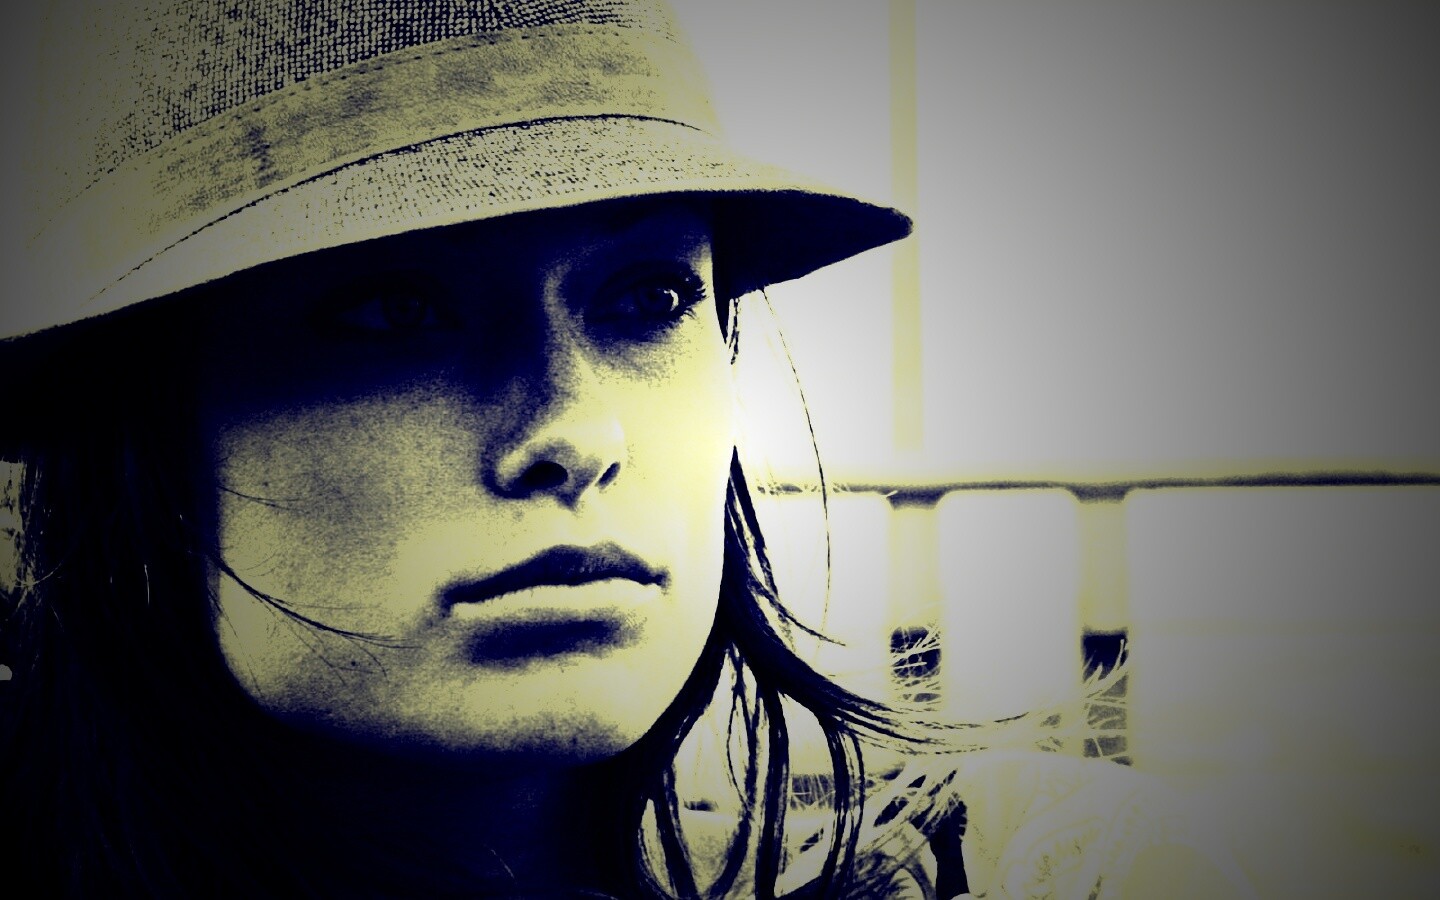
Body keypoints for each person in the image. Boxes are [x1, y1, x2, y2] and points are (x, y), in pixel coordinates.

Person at [0, 1, 1256, 897]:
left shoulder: (1034, 866)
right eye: (391, 310)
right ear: (140, 429)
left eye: (649, 298)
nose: (577, 433)